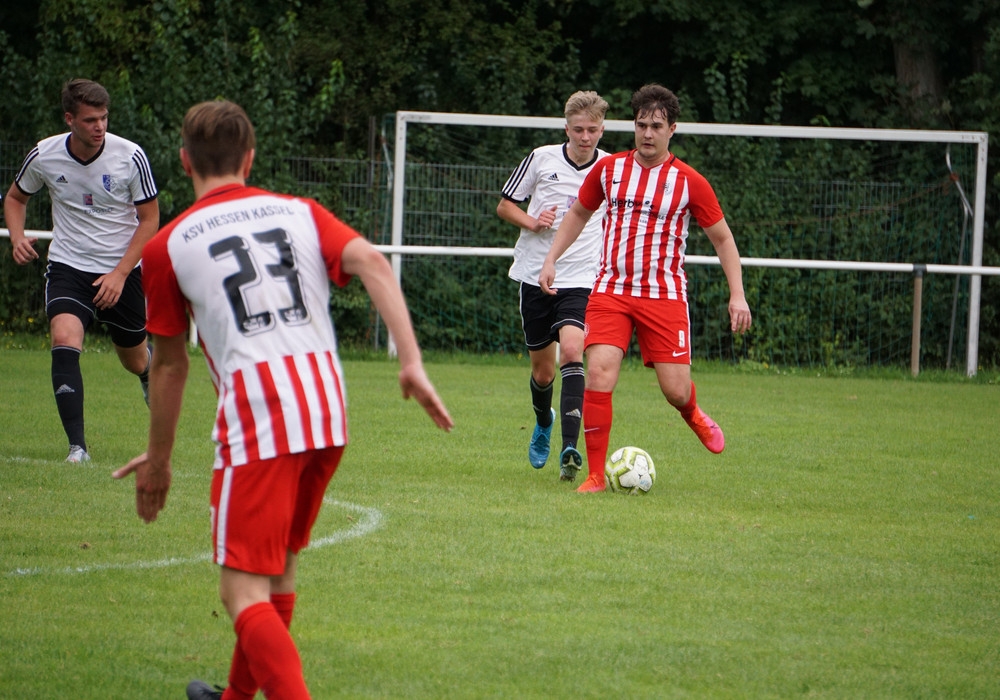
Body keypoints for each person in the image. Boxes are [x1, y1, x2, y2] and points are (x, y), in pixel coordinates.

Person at [113, 100, 453, 700]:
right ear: (250, 158)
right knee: (278, 572)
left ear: (185, 161)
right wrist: (411, 361)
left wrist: (159, 460)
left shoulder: (167, 245)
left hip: (260, 418)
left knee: (241, 593)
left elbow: (168, 364)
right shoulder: (299, 212)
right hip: (326, 410)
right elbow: (373, 261)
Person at [539, 83, 753, 493]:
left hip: (664, 296)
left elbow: (723, 239)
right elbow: (579, 213)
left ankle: (691, 412)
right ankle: (597, 476)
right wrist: (552, 260)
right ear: (633, 126)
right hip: (611, 290)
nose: (647, 133)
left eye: (656, 126)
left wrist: (737, 294)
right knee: (598, 373)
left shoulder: (690, 182)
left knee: (674, 390)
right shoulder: (610, 170)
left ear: (673, 129)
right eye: (641, 125)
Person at [4, 78, 159, 463]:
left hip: (121, 271)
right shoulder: (45, 155)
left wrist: (121, 274)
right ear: (69, 119)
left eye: (104, 118)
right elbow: (15, 197)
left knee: (134, 359)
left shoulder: (130, 156)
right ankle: (78, 448)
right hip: (69, 265)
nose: (100, 127)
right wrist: (18, 237)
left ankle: (148, 372)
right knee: (64, 335)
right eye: (90, 119)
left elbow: (150, 218)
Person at [497, 90, 609, 481]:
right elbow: (504, 204)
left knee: (573, 351)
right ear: (566, 128)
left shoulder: (611, 168)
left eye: (592, 130)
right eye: (578, 130)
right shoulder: (541, 158)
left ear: (601, 130)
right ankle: (543, 420)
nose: (585, 137)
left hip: (582, 277)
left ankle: (569, 449)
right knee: (543, 373)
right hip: (533, 273)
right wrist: (532, 222)